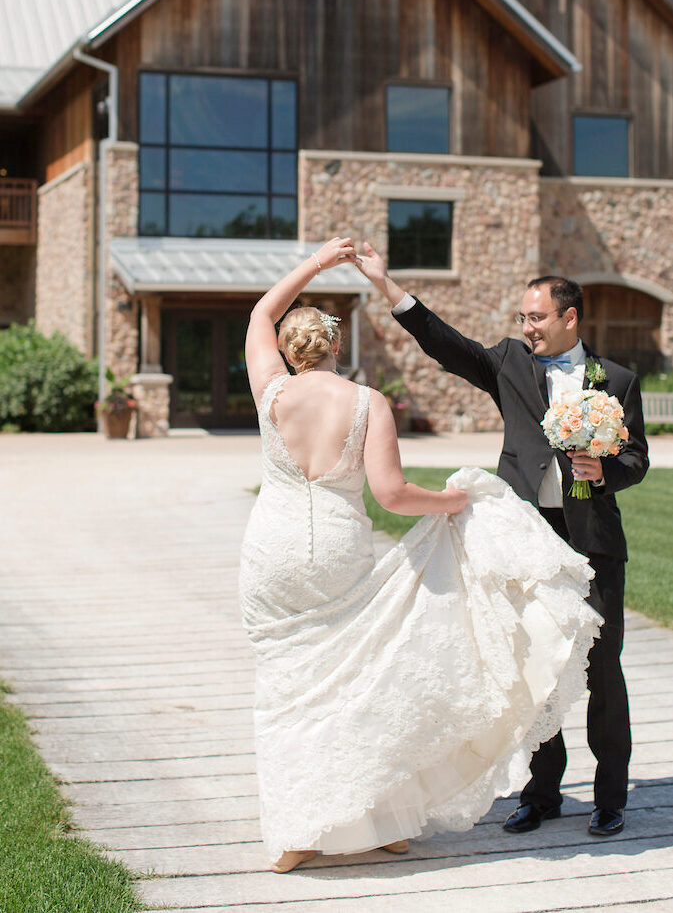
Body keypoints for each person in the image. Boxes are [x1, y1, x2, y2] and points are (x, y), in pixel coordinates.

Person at [240, 237, 602, 873]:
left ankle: (296, 835)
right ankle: (379, 820)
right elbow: (393, 495)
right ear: (334, 345)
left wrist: (319, 261)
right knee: (358, 679)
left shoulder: (271, 392)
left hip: (271, 549)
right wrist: (454, 502)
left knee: (286, 685)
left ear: (290, 353)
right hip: (338, 548)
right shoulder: (368, 403)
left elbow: (259, 314)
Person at [355, 243, 649, 839]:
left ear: (570, 318)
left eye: (536, 317)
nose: (526, 327)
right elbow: (447, 344)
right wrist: (390, 289)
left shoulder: (617, 380)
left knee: (603, 668)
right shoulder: (509, 363)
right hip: (526, 539)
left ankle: (611, 798)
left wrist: (605, 470)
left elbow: (637, 458)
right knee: (533, 667)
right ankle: (541, 797)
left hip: (593, 542)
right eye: (522, 318)